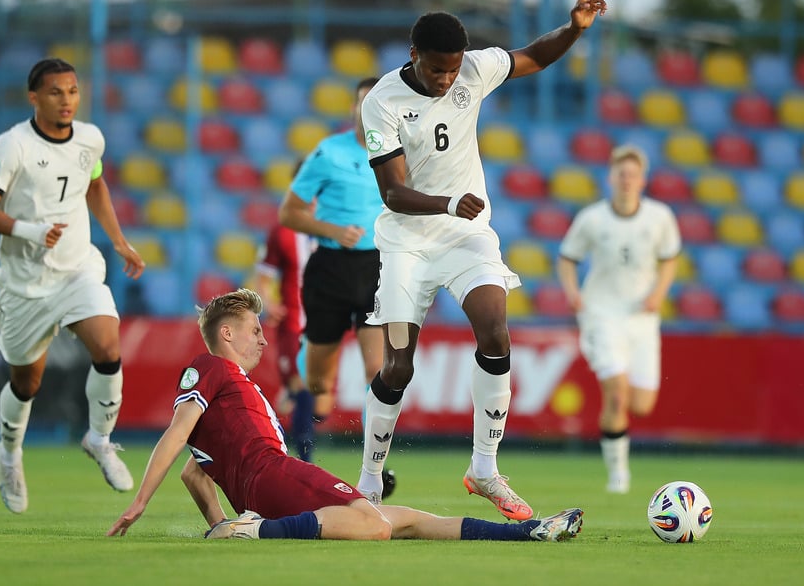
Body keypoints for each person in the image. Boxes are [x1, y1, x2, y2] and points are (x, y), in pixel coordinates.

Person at [356, 0, 608, 518]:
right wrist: (449, 200)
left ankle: (485, 470)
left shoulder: (474, 69)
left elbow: (533, 56)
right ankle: (370, 480)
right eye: (435, 70)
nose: (446, 80)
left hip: (466, 237)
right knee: (399, 365)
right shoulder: (381, 101)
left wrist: (575, 28)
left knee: (495, 332)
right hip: (406, 242)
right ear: (412, 54)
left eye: (451, 71)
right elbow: (393, 194)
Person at [106, 288, 583, 542]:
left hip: (264, 484)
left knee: (404, 520)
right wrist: (140, 502)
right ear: (226, 334)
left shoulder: (228, 388)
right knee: (374, 526)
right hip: (273, 474)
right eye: (254, 330)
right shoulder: (208, 367)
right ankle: (256, 532)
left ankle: (525, 534)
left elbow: (195, 472)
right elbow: (175, 436)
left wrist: (218, 524)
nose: (263, 340)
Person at [0, 57, 146, 514]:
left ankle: (100, 439)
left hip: (77, 271)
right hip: (26, 286)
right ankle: (10, 454)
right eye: (54, 92)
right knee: (26, 383)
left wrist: (119, 242)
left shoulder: (90, 138)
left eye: (72, 91)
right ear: (34, 98)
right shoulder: (13, 147)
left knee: (108, 347)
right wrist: (29, 230)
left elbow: (95, 184)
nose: (65, 100)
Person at [556, 145, 680, 494]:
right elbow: (567, 258)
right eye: (621, 174)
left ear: (643, 180)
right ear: (611, 178)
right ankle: (618, 476)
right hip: (602, 314)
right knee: (617, 395)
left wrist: (659, 293)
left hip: (641, 319)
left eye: (633, 175)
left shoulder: (660, 218)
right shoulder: (593, 219)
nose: (626, 181)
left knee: (641, 404)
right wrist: (573, 293)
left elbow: (670, 258)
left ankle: (618, 450)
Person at [278, 77, 385, 460]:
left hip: (377, 268)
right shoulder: (329, 152)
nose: (368, 110)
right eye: (362, 103)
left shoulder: (403, 155)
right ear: (354, 109)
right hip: (330, 269)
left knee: (378, 369)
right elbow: (288, 213)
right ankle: (300, 388)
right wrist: (333, 230)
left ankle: (375, 460)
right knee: (319, 383)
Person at [254, 160, 316, 459]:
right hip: (292, 321)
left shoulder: (335, 229)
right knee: (301, 383)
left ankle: (288, 405)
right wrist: (269, 301)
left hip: (324, 324)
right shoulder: (282, 231)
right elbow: (263, 276)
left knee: (319, 398)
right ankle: (305, 458)